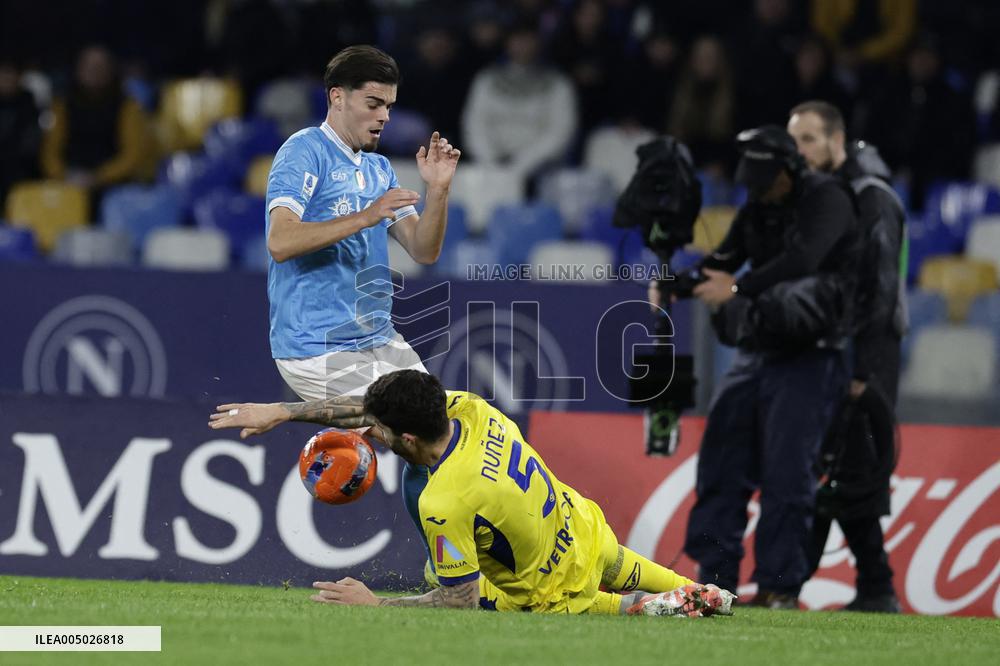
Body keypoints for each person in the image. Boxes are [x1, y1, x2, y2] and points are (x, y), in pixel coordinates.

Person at [209, 370, 736, 616]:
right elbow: (371, 411)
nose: (370, 433)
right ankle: (710, 596)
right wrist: (283, 411)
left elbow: (458, 600)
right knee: (688, 590)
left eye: (381, 431)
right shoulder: (467, 407)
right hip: (583, 531)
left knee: (633, 614)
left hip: (547, 595)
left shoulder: (445, 500)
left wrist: (376, 605)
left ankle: (658, 610)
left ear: (408, 437)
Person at [264, 44, 459, 584]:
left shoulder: (377, 168)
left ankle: (454, 570)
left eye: (390, 106)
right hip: (314, 344)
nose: (384, 116)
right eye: (374, 102)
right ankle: (453, 576)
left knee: (443, 435)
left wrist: (437, 193)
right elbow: (281, 241)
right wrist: (366, 216)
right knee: (423, 438)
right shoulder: (302, 153)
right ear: (337, 97)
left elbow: (424, 249)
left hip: (380, 340)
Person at [682, 125, 861, 609]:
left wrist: (737, 290)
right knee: (721, 465)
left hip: (812, 353)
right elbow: (724, 259)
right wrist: (677, 283)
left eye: (766, 179)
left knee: (787, 475)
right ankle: (714, 579)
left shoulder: (829, 198)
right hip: (758, 350)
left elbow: (805, 259)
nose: (758, 190)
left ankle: (779, 588)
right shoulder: (761, 202)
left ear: (789, 171)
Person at [788, 100, 905, 613]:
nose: (800, 152)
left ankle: (788, 583)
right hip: (838, 344)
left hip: (866, 348)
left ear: (836, 140)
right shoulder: (833, 192)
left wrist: (861, 369)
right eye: (795, 141)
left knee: (846, 460)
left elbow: (878, 289)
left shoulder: (869, 196)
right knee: (841, 465)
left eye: (809, 140)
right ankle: (874, 586)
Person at [460, 19, 577, 186]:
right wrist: (491, 162)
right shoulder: (486, 80)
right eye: (517, 39)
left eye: (528, 39)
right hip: (490, 169)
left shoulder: (558, 84)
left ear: (539, 43)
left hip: (541, 173)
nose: (522, 45)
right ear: (507, 43)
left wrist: (521, 166)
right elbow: (474, 125)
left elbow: (560, 132)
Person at [40, 45, 153, 197]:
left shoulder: (128, 106)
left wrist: (99, 177)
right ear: (78, 69)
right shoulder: (62, 105)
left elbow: (132, 154)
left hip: (114, 186)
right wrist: (63, 175)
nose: (93, 71)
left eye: (100, 66)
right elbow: (50, 150)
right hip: (68, 182)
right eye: (88, 65)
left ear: (110, 70)